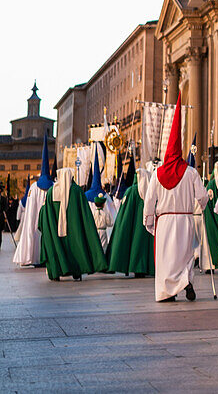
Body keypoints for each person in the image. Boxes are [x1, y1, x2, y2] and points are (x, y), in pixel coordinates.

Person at [143, 94, 208, 302]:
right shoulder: (190, 172)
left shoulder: (157, 173)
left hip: (165, 221)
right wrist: (202, 206)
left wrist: (150, 221)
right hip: (185, 219)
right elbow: (203, 196)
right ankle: (186, 281)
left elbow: (149, 201)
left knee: (165, 258)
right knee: (185, 255)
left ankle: (168, 293)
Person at [38, 168, 108, 281]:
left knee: (57, 247)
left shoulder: (51, 192)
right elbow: (84, 213)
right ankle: (77, 272)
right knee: (76, 248)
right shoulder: (76, 191)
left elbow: (46, 212)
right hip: (75, 231)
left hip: (56, 231)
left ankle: (57, 272)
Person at [106, 150, 155, 278]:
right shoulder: (151, 192)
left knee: (135, 245)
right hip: (148, 225)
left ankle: (136, 267)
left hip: (134, 227)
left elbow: (125, 213)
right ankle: (146, 267)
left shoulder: (131, 191)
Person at [13, 132, 53, 268]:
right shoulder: (53, 186)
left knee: (33, 232)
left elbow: (30, 209)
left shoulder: (34, 187)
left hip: (34, 219)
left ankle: (33, 256)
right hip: (48, 219)